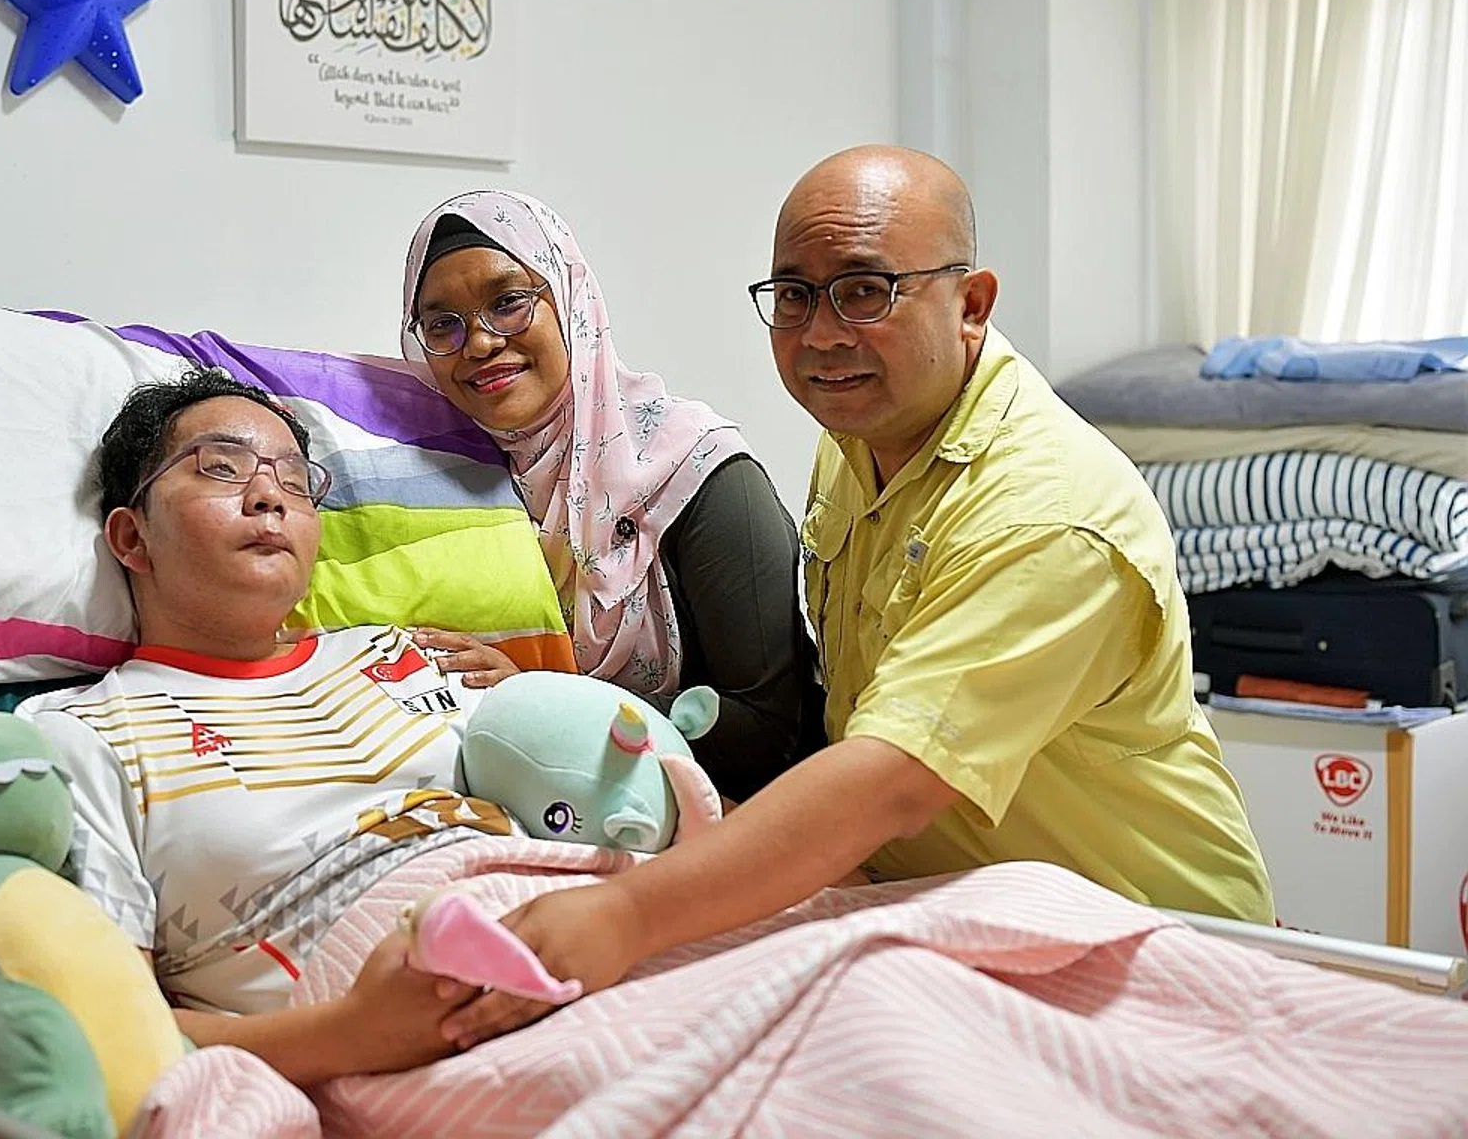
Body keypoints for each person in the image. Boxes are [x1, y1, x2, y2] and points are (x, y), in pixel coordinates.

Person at [437, 145, 1276, 1050]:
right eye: (793, 296)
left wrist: (628, 914)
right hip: (940, 921)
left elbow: (881, 777)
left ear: (972, 305)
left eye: (865, 291)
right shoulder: (862, 438)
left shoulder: (1045, 517)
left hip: (1139, 946)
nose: (823, 334)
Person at [13, 367, 499, 1084]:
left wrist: (547, 707)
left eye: (297, 481)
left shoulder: (409, 655)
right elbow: (111, 1020)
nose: (270, 494)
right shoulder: (83, 737)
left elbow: (583, 803)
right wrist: (351, 1036)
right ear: (131, 538)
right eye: (222, 467)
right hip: (408, 1044)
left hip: (578, 925)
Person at [398, 189, 822, 802]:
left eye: (510, 303)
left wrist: (541, 703)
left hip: (724, 825)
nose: (481, 343)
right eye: (444, 324)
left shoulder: (696, 469)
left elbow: (768, 734)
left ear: (572, 301)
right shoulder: (447, 482)